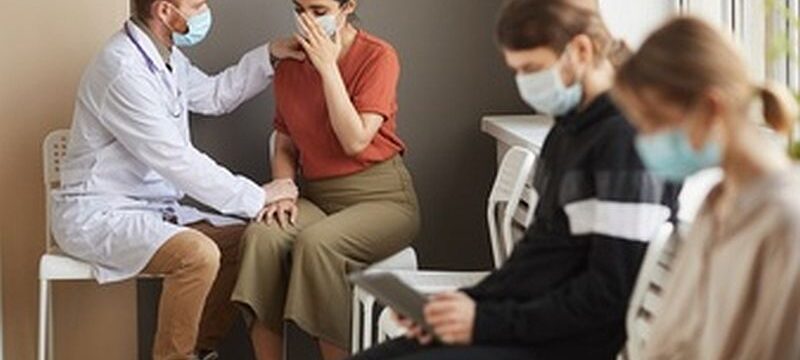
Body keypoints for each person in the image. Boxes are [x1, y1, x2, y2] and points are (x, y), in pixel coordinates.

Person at [351, 0, 680, 359]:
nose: (525, 82)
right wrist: (458, 308)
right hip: (524, 329)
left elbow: (606, 296)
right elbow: (535, 259)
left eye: (532, 68)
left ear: (581, 50)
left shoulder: (625, 142)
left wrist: (483, 321)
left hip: (566, 345)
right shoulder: (568, 132)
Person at [50, 0, 305, 359]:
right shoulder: (122, 68)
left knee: (249, 240)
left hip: (151, 210)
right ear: (166, 11)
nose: (205, 10)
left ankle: (198, 350)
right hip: (99, 213)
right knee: (197, 254)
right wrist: (259, 195)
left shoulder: (165, 57)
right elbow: (176, 160)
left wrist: (270, 55)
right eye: (197, 4)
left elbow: (216, 95)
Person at [230, 1, 421, 359]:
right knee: (262, 236)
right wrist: (284, 191)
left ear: (348, 6)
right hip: (316, 198)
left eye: (319, 10)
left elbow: (355, 140)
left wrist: (328, 68)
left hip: (382, 198)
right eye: (300, 8)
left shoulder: (378, 56)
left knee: (318, 244)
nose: (307, 20)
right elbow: (284, 144)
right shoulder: (290, 64)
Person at [613, 16, 800, 359]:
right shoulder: (717, 204)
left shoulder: (786, 223)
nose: (643, 141)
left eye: (652, 122)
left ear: (711, 108)